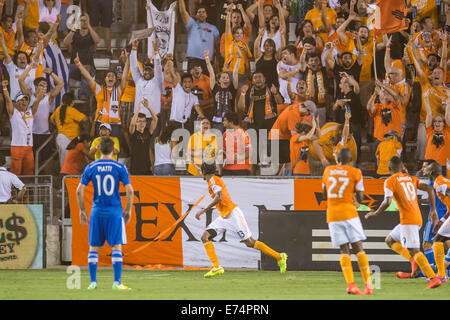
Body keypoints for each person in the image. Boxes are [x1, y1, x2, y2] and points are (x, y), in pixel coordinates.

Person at [195, 162, 287, 278]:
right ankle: (217, 267)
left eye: (201, 172)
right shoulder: (212, 180)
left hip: (233, 214)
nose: (200, 174)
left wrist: (203, 210)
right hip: (224, 216)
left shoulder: (213, 180)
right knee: (205, 237)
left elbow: (219, 197)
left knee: (250, 242)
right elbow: (216, 193)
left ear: (204, 172)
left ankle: (279, 256)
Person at [365, 156, 442, 288]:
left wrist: (375, 212)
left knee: (415, 250)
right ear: (402, 167)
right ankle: (413, 261)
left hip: (408, 220)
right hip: (415, 218)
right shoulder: (411, 178)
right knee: (389, 240)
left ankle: (433, 278)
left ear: (389, 168)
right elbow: (430, 189)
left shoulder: (390, 181)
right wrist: (433, 210)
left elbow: (387, 201)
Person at [76, 137, 134, 290]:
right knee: (116, 247)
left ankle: (93, 282)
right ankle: (117, 283)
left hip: (97, 212)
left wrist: (82, 210)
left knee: (93, 248)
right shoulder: (119, 167)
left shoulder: (91, 167)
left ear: (99, 149)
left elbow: (79, 191)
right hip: (114, 212)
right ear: (114, 150)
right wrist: (128, 209)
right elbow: (129, 190)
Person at [322, 148, 372, 295]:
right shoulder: (355, 172)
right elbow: (361, 198)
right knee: (358, 248)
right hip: (349, 213)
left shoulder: (328, 171)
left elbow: (324, 194)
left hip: (332, 214)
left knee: (344, 250)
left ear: (337, 159)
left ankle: (350, 284)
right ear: (350, 160)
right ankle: (368, 285)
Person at [74, 53, 126, 138]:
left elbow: (124, 78)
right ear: (105, 79)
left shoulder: (118, 90)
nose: (111, 77)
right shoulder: (99, 89)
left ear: (115, 80)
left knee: (114, 148)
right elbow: (88, 77)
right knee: (100, 147)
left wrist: (127, 61)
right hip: (101, 123)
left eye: (113, 76)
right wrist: (78, 64)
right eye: (108, 76)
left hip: (115, 124)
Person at [3, 80, 40, 176]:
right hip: (17, 146)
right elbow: (7, 100)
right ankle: (13, 191)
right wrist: (4, 88)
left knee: (29, 171)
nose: (24, 102)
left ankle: (27, 190)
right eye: (21, 100)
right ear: (17, 102)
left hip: (28, 147)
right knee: (15, 171)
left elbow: (37, 101)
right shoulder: (13, 112)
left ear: (28, 102)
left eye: (26, 100)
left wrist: (40, 91)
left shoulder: (30, 112)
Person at [64, 13, 101, 100]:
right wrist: (73, 29)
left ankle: (83, 95)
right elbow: (65, 42)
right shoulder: (75, 33)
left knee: (86, 69)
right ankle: (66, 94)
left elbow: (97, 40)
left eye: (86, 20)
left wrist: (89, 26)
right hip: (75, 66)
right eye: (82, 20)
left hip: (88, 66)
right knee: (62, 68)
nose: (84, 22)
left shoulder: (91, 33)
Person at [178, 0, 220, 74]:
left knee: (207, 84)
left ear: (207, 15)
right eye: (199, 12)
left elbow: (217, 47)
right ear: (196, 15)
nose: (201, 14)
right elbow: (183, 12)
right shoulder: (191, 24)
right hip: (193, 61)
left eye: (203, 12)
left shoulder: (213, 28)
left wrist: (217, 61)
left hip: (208, 61)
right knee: (193, 84)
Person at [50, 92, 89, 168]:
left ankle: (66, 179)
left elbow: (51, 120)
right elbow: (85, 119)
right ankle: (65, 179)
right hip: (67, 139)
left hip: (63, 138)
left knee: (66, 162)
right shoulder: (71, 110)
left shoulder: (58, 109)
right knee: (67, 163)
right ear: (72, 101)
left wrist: (58, 125)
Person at [205, 49, 238, 133]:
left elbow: (235, 73)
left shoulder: (232, 89)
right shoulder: (215, 88)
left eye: (227, 78)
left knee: (230, 143)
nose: (226, 79)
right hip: (218, 121)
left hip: (230, 122)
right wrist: (207, 59)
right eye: (223, 77)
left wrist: (239, 59)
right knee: (218, 143)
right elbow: (211, 73)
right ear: (219, 80)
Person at [130, 39, 163, 122]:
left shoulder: (157, 81)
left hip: (152, 118)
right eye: (146, 70)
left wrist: (156, 52)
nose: (147, 72)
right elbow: (134, 66)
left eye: (150, 70)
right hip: (138, 117)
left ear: (153, 71)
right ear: (143, 71)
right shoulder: (139, 80)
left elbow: (158, 66)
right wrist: (134, 49)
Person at [430, 162, 450, 282]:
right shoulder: (441, 181)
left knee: (437, 239)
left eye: (426, 169)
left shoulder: (439, 183)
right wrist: (441, 221)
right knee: (438, 239)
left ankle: (441, 275)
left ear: (431, 172)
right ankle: (442, 275)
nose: (423, 171)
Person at [423, 91, 450, 176]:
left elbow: (447, 115)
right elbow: (429, 114)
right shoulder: (430, 131)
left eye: (439, 121)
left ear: (444, 123)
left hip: (444, 165)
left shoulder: (447, 131)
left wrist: (449, 100)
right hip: (429, 165)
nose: (437, 123)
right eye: (435, 121)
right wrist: (426, 99)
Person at [128, 100, 158, 175]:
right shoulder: (133, 133)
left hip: (147, 167)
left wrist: (148, 107)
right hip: (135, 167)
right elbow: (132, 124)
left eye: (144, 121)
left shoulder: (148, 132)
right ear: (136, 123)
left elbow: (155, 119)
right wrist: (137, 110)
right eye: (139, 121)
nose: (142, 123)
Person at [220, 111, 252, 176]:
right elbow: (223, 150)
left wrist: (237, 157)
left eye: (225, 121)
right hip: (227, 168)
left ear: (231, 122)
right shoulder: (225, 134)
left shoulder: (243, 134)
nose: (223, 123)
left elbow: (249, 152)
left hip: (242, 168)